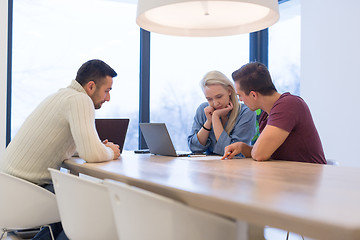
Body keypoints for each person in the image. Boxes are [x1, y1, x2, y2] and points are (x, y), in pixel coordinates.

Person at [0, 59, 121, 239]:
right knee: (92, 205)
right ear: (91, 86)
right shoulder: (80, 100)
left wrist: (96, 147)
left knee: (75, 199)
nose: (108, 98)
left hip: (11, 188)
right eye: (107, 91)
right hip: (28, 189)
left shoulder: (61, 96)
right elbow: (92, 154)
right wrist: (111, 151)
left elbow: (65, 146)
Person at [222, 62, 326, 164]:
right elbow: (267, 150)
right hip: (289, 175)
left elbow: (259, 154)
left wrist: (255, 151)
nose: (240, 100)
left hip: (308, 177)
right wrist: (243, 148)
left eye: (240, 95)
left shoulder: (289, 105)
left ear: (253, 95)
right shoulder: (266, 114)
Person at [188, 70, 256, 156]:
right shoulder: (203, 109)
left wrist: (215, 117)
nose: (215, 103)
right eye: (209, 99)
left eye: (219, 97)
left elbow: (231, 152)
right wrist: (208, 122)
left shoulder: (246, 112)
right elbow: (194, 148)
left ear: (229, 91)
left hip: (236, 167)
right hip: (208, 166)